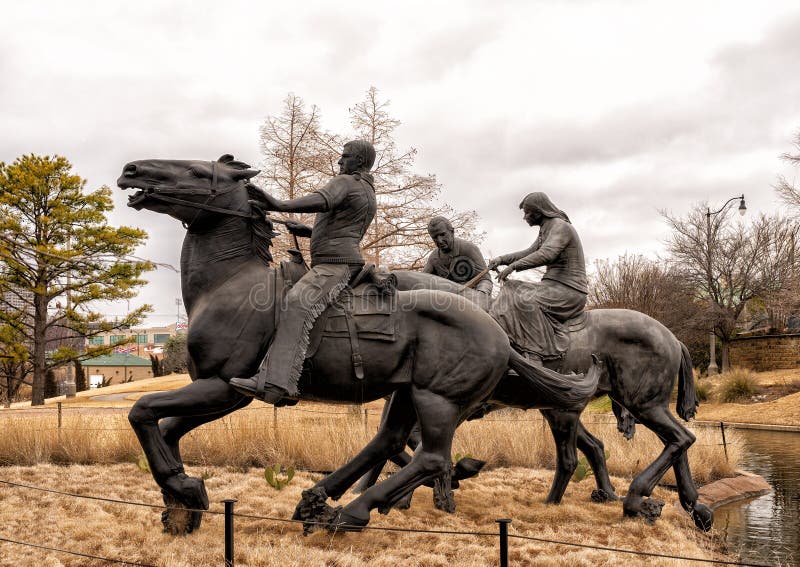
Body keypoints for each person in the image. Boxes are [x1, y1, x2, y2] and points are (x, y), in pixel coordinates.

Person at [229, 140, 377, 403]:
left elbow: (322, 200)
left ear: (359, 160)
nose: (340, 161)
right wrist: (307, 232)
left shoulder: (345, 182)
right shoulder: (366, 189)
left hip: (336, 265)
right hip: (341, 260)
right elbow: (343, 230)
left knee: (297, 303)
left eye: (345, 156)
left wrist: (276, 203)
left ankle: (276, 383)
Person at [488, 192, 587, 363]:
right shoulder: (546, 228)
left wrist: (513, 266)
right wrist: (502, 260)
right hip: (552, 287)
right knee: (511, 288)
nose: (525, 217)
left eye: (527, 213)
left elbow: (547, 253)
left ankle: (536, 354)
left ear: (539, 211)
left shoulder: (560, 226)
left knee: (524, 300)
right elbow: (529, 253)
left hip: (570, 290)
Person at [423, 216, 493, 296]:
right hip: (446, 303)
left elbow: (485, 279)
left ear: (452, 232)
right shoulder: (434, 257)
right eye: (435, 237)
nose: (439, 240)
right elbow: (422, 280)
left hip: (471, 300)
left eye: (442, 234)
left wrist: (481, 294)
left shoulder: (468, 249)